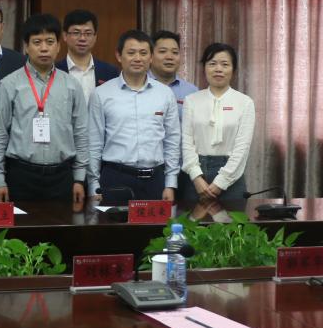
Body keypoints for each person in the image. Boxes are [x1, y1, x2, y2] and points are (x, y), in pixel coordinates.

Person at [0, 13, 87, 205]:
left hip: (62, 177)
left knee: (63, 225)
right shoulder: (9, 85)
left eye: (50, 42)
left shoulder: (72, 85)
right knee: (22, 226)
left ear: (58, 46)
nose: (44, 48)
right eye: (37, 42)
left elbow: (81, 133)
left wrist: (79, 178)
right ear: (26, 46)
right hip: (21, 175)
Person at [87, 30, 180, 204]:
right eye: (131, 53)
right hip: (116, 177)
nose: (138, 58)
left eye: (143, 53)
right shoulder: (101, 94)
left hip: (155, 181)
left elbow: (172, 141)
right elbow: (94, 143)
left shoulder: (165, 94)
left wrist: (170, 183)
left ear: (151, 57)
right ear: (119, 55)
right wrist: (93, 185)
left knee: (155, 224)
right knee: (113, 222)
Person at [179, 43, 255, 202]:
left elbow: (242, 148)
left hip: (232, 177)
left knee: (232, 219)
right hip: (196, 177)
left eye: (225, 64)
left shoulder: (245, 102)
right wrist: (196, 176)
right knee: (194, 219)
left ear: (233, 70)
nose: (218, 69)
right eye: (212, 63)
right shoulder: (191, 100)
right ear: (204, 68)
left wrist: (221, 182)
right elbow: (186, 142)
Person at [55, 9, 118, 102]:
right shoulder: (54, 71)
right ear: (65, 35)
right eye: (76, 33)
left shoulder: (110, 72)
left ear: (95, 37)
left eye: (88, 33)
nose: (82, 38)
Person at [149, 30, 199, 116]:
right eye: (163, 51)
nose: (170, 57)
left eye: (175, 52)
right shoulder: (140, 86)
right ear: (150, 55)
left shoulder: (192, 92)